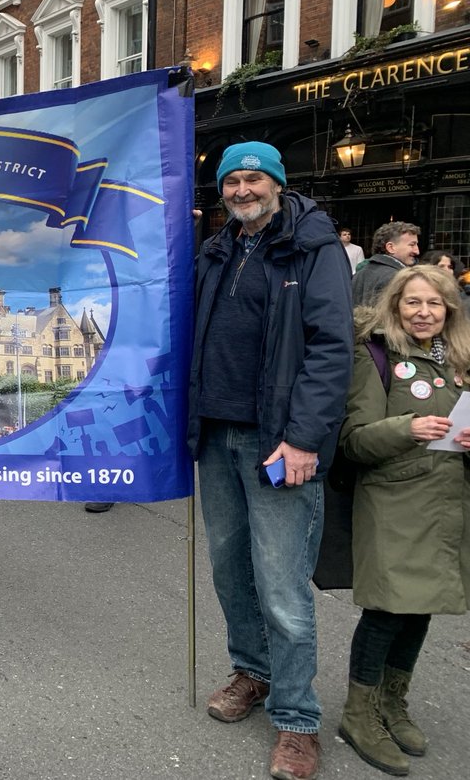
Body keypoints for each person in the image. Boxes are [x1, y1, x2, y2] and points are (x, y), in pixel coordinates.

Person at [187, 142, 352, 780]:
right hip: (218, 435)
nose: (241, 190)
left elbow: (332, 347)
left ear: (277, 184)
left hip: (278, 442)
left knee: (282, 589)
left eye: (253, 179)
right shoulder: (217, 248)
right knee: (231, 574)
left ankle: (297, 719)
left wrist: (305, 438)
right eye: (231, 181)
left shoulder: (313, 247)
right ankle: (252, 672)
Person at [336, 265, 470, 776]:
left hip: (449, 501)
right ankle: (359, 713)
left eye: (434, 304)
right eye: (412, 302)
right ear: (396, 306)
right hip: (395, 499)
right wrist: (407, 427)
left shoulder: (461, 358)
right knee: (390, 608)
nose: (423, 312)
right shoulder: (373, 355)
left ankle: (393, 702)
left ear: (449, 310)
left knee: (422, 607)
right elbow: (355, 440)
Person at [352, 222, 420, 307]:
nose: (417, 251)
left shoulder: (360, 274)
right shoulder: (397, 277)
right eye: (412, 245)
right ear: (391, 247)